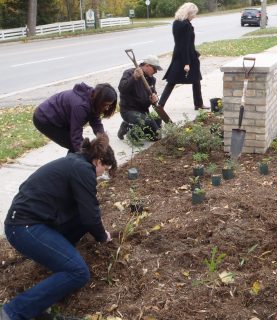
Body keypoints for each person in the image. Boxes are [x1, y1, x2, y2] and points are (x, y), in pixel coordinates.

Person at [1, 133, 116, 320]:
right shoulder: (83, 170)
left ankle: (58, 257)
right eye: (105, 168)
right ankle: (13, 311)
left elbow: (87, 211)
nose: (103, 174)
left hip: (32, 223)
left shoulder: (75, 163)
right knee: (78, 272)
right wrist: (103, 237)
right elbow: (91, 216)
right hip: (24, 227)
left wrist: (97, 225)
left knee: (83, 217)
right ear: (98, 161)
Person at [33, 83, 117, 153]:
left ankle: (73, 166)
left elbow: (96, 122)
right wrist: (84, 154)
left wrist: (102, 138)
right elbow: (76, 135)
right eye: (106, 105)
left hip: (61, 118)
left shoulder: (93, 98)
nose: (107, 108)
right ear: (99, 100)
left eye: (109, 105)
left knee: (79, 147)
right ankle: (73, 169)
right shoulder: (81, 106)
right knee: (77, 146)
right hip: (45, 119)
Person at [158, 2, 209, 111]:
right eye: (194, 14)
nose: (194, 16)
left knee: (176, 81)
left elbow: (181, 43)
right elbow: (185, 44)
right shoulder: (186, 25)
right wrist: (187, 63)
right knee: (189, 80)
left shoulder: (176, 22)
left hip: (178, 54)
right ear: (189, 13)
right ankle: (198, 104)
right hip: (187, 56)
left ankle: (161, 104)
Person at [117, 55, 163, 140]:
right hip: (128, 110)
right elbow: (122, 89)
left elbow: (153, 93)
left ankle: (134, 128)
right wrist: (134, 78)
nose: (156, 72)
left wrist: (154, 99)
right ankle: (128, 130)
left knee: (157, 124)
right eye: (155, 69)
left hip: (143, 111)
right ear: (147, 66)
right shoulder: (129, 73)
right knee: (146, 122)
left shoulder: (152, 79)